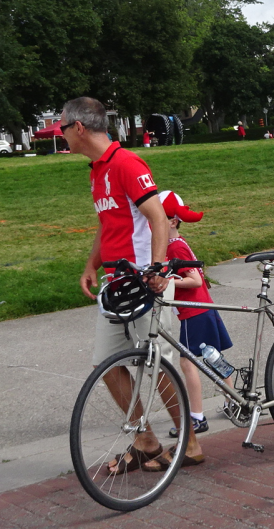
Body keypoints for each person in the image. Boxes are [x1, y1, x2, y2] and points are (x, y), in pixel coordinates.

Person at [63, 96, 200, 474]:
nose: (59, 134)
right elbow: (108, 223)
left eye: (62, 127)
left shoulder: (126, 163)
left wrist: (156, 268)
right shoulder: (96, 170)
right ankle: (147, 441)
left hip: (145, 281)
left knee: (161, 366)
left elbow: (157, 218)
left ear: (79, 127)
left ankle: (189, 441)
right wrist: (92, 264)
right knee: (106, 365)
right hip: (116, 283)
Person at [154, 191, 233, 467]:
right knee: (213, 357)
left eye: (159, 219)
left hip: (194, 311)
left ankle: (197, 418)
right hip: (202, 309)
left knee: (187, 363)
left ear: (173, 221)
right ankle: (232, 398)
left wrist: (168, 283)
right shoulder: (175, 244)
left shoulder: (174, 246)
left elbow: (195, 280)